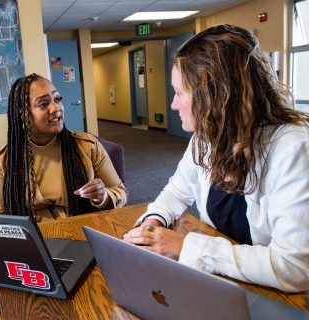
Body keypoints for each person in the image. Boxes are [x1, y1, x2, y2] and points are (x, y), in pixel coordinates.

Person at [123, 24, 309, 293]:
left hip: (277, 296)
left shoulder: (294, 150)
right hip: (223, 282)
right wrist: (154, 220)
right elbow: (176, 192)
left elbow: (294, 268)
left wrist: (187, 247)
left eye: (179, 93)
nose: (173, 105)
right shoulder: (207, 137)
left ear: (214, 97)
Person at [0, 73, 127, 222]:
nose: (56, 108)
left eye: (57, 99)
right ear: (23, 114)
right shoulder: (6, 159)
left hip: (82, 232)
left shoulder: (86, 146)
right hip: (34, 239)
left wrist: (102, 196)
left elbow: (120, 193)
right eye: (43, 104)